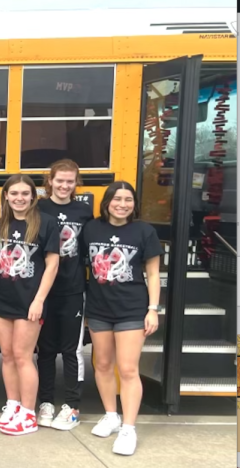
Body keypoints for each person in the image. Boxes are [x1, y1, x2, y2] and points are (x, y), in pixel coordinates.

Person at [82, 181, 162, 456]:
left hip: (132, 309)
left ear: (134, 204)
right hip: (98, 308)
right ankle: (111, 416)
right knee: (102, 364)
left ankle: (128, 428)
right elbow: (83, 266)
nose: (122, 204)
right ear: (107, 202)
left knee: (128, 369)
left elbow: (153, 274)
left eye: (128, 199)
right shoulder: (91, 228)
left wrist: (153, 309)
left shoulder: (144, 231)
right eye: (117, 199)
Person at [0, 175, 59, 436]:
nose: (19, 198)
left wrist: (39, 300)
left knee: (23, 356)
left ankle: (29, 414)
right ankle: (13, 405)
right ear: (6, 196)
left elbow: (52, 264)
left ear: (33, 196)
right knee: (7, 355)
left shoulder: (45, 223)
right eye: (14, 193)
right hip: (2, 298)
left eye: (24, 193)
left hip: (29, 301)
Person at [36, 160, 93, 430]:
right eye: (60, 180)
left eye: (70, 181)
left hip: (72, 290)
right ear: (50, 180)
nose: (64, 185)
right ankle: (45, 402)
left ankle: (71, 405)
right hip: (44, 291)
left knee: (71, 350)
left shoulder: (83, 212)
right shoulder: (39, 208)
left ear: (76, 183)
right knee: (45, 350)